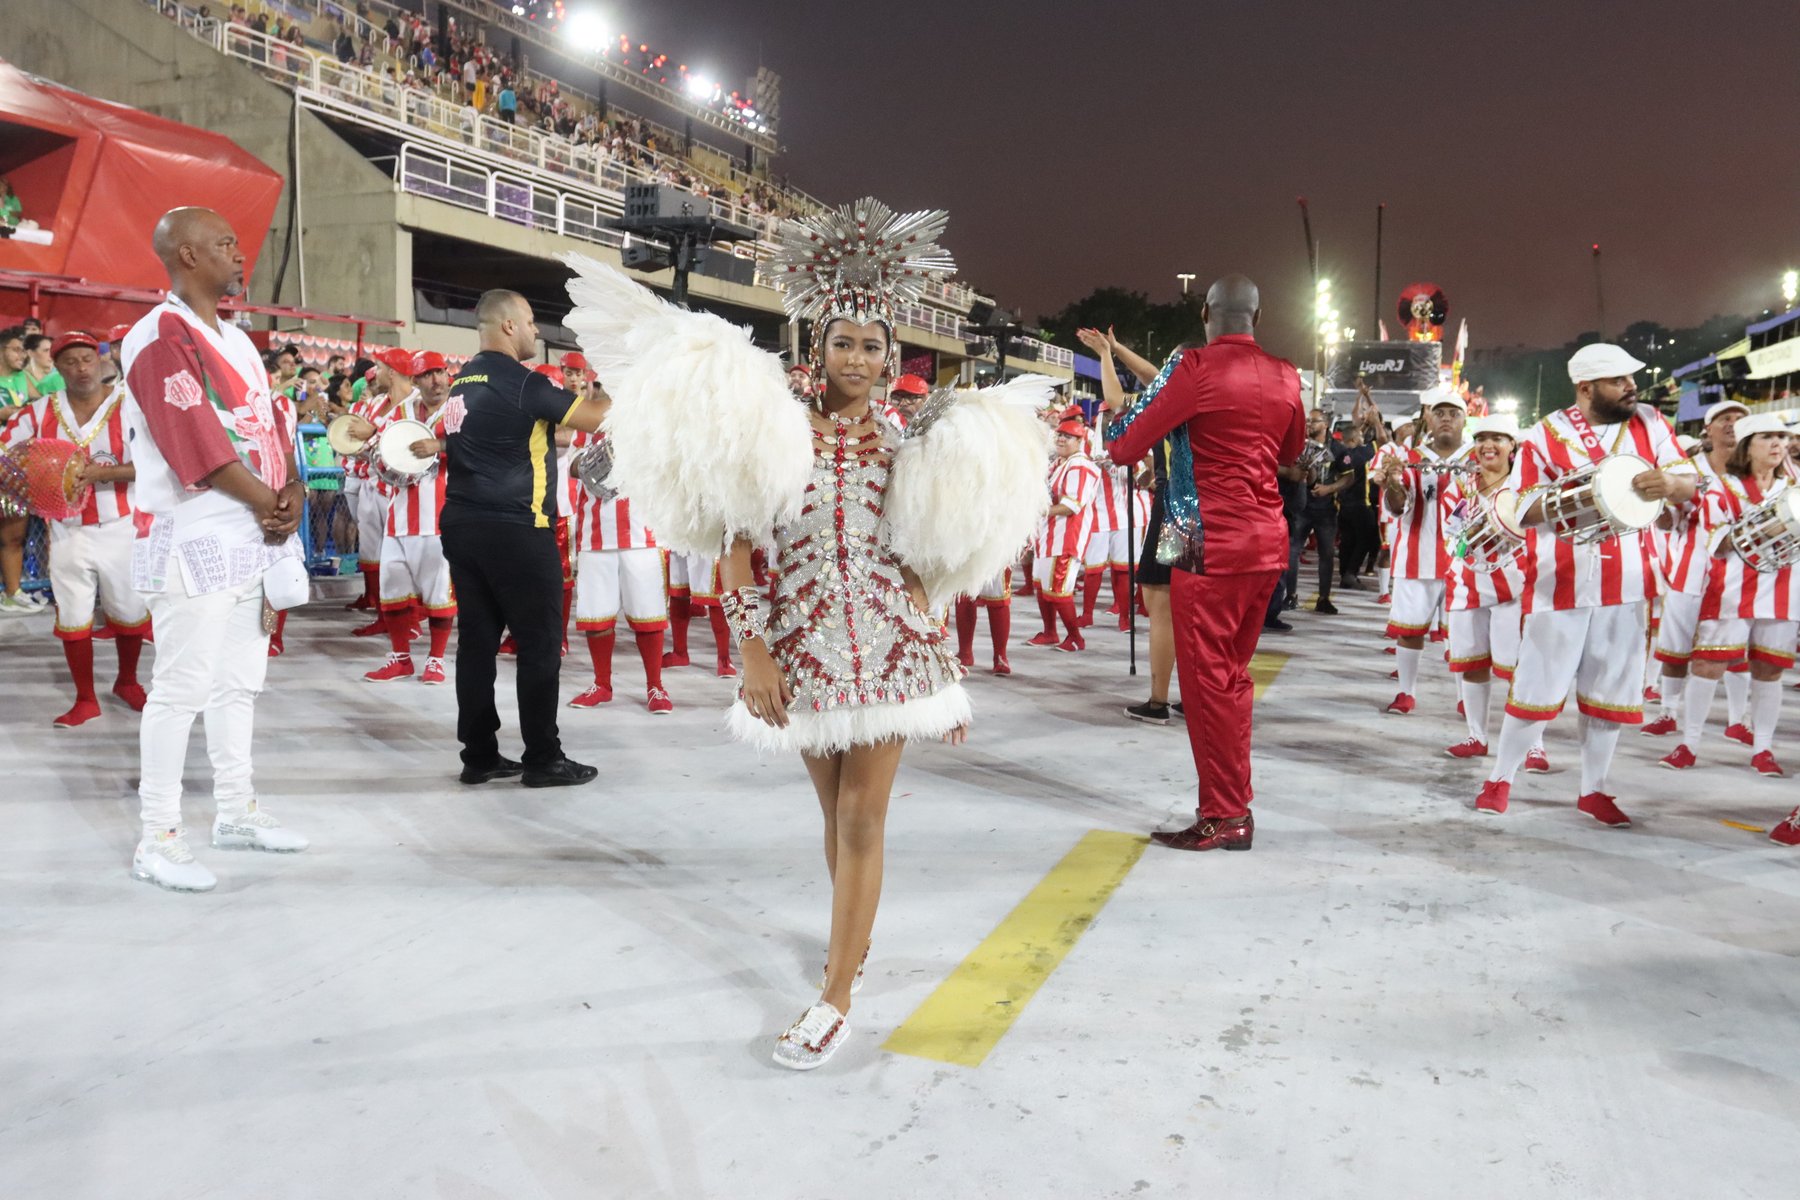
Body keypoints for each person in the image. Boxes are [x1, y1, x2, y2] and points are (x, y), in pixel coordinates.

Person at [562, 199, 1050, 1070]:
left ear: (891, 359)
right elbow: (737, 549)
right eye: (844, 343)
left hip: (894, 654)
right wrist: (752, 651)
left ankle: (834, 996)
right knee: (832, 817)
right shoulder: (772, 432)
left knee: (864, 817)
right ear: (813, 350)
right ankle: (848, 945)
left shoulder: (907, 444)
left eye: (873, 346)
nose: (858, 360)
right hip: (801, 656)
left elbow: (920, 566)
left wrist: (943, 670)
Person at [121, 207, 310, 892]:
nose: (241, 253)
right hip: (192, 538)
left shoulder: (233, 338)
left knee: (238, 685)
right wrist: (271, 503)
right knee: (179, 690)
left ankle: (235, 811)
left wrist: (292, 491)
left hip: (249, 539)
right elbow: (193, 441)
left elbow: (270, 430)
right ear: (187, 255)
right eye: (226, 243)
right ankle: (159, 836)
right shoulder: (158, 336)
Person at [1105, 275, 1305, 851]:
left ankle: (1224, 814)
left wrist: (1118, 416)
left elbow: (1123, 446)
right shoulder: (1287, 374)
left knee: (1206, 686)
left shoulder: (1192, 367)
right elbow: (1290, 453)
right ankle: (1233, 804)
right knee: (1232, 680)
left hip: (1201, 540)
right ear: (1258, 318)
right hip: (1266, 543)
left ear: (1206, 313)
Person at [1472, 343, 1697, 821]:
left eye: (1631, 378)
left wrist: (1671, 486)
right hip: (1563, 580)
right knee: (1536, 686)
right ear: (1587, 387)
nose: (1631, 386)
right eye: (1619, 380)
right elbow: (1525, 508)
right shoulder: (1544, 435)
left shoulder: (1651, 423)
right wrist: (1583, 493)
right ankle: (1499, 778)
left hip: (1630, 580)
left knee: (1610, 690)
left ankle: (1593, 789)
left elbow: (1688, 480)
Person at [438, 289, 607, 788]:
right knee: (538, 645)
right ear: (509, 325)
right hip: (516, 527)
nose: (537, 331)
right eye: (531, 321)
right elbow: (595, 418)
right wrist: (619, 385)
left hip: (463, 525)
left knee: (477, 644)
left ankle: (479, 755)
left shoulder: (460, 383)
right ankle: (542, 757)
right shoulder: (521, 382)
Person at [0, 332, 150, 726]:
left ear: (100, 362)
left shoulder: (130, 407)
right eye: (70, 361)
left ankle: (127, 681)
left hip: (120, 525)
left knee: (130, 610)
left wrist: (105, 473)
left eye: (87, 359)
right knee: (73, 614)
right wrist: (27, 483)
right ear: (57, 368)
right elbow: (6, 455)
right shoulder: (39, 412)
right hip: (65, 529)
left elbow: (156, 464)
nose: (81, 367)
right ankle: (85, 698)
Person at [1656, 414, 1794, 776]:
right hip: (1731, 587)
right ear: (1748, 446)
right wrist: (1766, 526)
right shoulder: (1722, 486)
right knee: (1707, 666)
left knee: (1768, 669)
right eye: (1767, 437)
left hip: (1782, 587)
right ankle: (1689, 743)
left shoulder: (1794, 487)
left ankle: (1763, 748)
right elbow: (1715, 543)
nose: (1778, 444)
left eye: (1782, 437)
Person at [1438, 415, 1545, 770]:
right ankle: (1477, 736)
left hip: (1515, 588)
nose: (1488, 445)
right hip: (1467, 586)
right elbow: (1451, 535)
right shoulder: (1460, 484)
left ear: (1512, 445)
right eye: (1482, 437)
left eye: (1498, 438)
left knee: (1520, 669)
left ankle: (1534, 745)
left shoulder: (1526, 486)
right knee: (1472, 664)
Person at [1642, 400, 1750, 739]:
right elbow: (1670, 518)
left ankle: (1738, 719)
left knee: (1736, 651)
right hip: (1688, 570)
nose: (1732, 425)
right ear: (1708, 429)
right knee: (1674, 648)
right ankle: (1668, 712)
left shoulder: (1754, 471)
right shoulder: (1688, 470)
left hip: (1738, 575)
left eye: (1738, 420)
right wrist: (1654, 508)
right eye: (1725, 419)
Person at [363, 350, 457, 685]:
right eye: (428, 374)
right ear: (415, 381)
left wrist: (440, 445)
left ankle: (435, 660)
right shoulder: (401, 411)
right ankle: (400, 657)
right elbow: (383, 448)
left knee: (438, 594)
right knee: (392, 589)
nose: (436, 380)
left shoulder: (458, 408)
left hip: (440, 516)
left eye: (440, 372)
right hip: (399, 513)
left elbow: (477, 447)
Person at [1376, 389, 1468, 714]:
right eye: (1439, 412)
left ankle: (1465, 700)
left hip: (1465, 562)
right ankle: (1406, 693)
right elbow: (1398, 507)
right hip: (1415, 557)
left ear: (1464, 419)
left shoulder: (1478, 456)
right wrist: (1393, 485)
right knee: (1409, 629)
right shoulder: (1411, 457)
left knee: (1463, 637)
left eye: (1453, 413)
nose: (1446, 418)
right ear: (1428, 417)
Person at [1028, 415, 1102, 651]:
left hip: (1066, 537)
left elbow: (1072, 505)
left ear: (1080, 440)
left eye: (1067, 436)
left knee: (1059, 592)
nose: (1061, 439)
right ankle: (1050, 632)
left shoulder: (1080, 465)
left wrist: (1038, 511)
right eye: (1059, 434)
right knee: (1042, 587)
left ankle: (1075, 637)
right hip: (1048, 536)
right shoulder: (1059, 463)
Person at [1286, 408, 1353, 615]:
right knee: (1292, 551)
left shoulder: (1339, 450)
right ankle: (1290, 596)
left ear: (1325, 424)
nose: (1309, 425)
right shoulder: (1298, 445)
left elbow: (1349, 477)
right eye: (1307, 422)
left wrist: (1329, 488)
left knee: (1326, 554)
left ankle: (1323, 599)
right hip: (1301, 507)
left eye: (1314, 422)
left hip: (1326, 509)